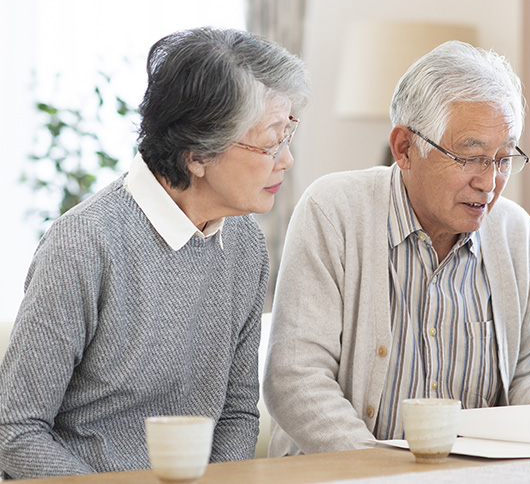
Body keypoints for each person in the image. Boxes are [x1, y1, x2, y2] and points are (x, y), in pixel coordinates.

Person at [0, 27, 310, 479]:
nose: (286, 160)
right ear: (197, 155)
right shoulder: (85, 243)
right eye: (269, 141)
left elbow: (238, 413)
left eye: (288, 134)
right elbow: (16, 431)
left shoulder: (244, 243)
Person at [264, 40, 530, 455]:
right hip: (344, 476)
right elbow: (295, 378)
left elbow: (529, 370)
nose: (489, 183)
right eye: (471, 158)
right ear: (405, 148)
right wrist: (380, 471)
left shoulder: (515, 234)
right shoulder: (334, 211)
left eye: (504, 159)